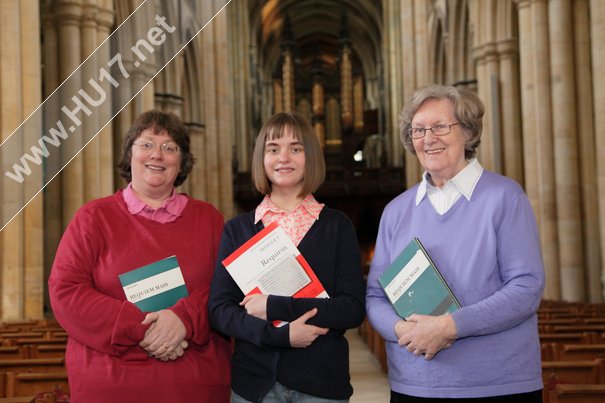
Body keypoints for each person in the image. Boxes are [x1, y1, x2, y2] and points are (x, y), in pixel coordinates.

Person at [366, 85, 545, 402]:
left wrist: (449, 326)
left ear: (468, 132)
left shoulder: (505, 197)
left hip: (497, 384)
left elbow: (526, 287)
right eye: (418, 130)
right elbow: (375, 296)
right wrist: (403, 332)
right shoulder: (395, 212)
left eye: (440, 126)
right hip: (415, 384)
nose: (428, 138)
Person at [48, 110, 231, 402]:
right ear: (129, 153)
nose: (157, 155)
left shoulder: (209, 219)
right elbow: (65, 291)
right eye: (146, 144)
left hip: (194, 382)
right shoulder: (94, 217)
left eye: (169, 148)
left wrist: (183, 319)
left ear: (181, 162)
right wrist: (140, 329)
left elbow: (228, 286)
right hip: (112, 384)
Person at [208, 111, 366, 402]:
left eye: (296, 148)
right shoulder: (238, 229)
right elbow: (220, 311)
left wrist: (274, 306)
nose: (284, 158)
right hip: (254, 385)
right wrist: (281, 336)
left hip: (321, 383)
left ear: (311, 157)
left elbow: (351, 309)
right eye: (273, 149)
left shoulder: (336, 225)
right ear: (261, 158)